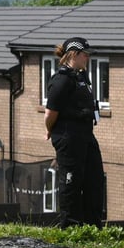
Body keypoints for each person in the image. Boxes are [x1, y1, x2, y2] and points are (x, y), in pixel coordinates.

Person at [44, 37, 104, 229]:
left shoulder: (81, 77)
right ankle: (70, 226)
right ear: (74, 54)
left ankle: (92, 225)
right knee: (71, 181)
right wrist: (50, 130)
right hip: (69, 136)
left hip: (86, 134)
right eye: (85, 54)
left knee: (94, 179)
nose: (88, 58)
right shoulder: (61, 80)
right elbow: (50, 114)